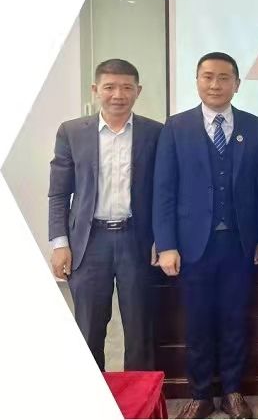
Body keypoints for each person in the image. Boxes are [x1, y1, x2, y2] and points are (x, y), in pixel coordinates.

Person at [153, 52, 258, 419]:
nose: (215, 84)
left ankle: (233, 391)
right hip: (192, 246)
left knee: (236, 319)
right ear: (197, 81)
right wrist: (167, 244)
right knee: (198, 321)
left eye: (223, 78)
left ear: (237, 84)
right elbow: (163, 189)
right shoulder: (176, 127)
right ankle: (201, 393)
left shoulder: (254, 126)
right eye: (207, 77)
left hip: (239, 244)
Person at [48, 58, 162, 372]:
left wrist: (162, 239)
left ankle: (141, 395)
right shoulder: (72, 132)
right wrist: (60, 243)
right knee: (88, 328)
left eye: (126, 87)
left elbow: (164, 192)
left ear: (138, 91)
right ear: (95, 89)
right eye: (109, 87)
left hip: (136, 240)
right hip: (88, 242)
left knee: (140, 328)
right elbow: (59, 193)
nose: (118, 95)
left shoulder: (156, 132)